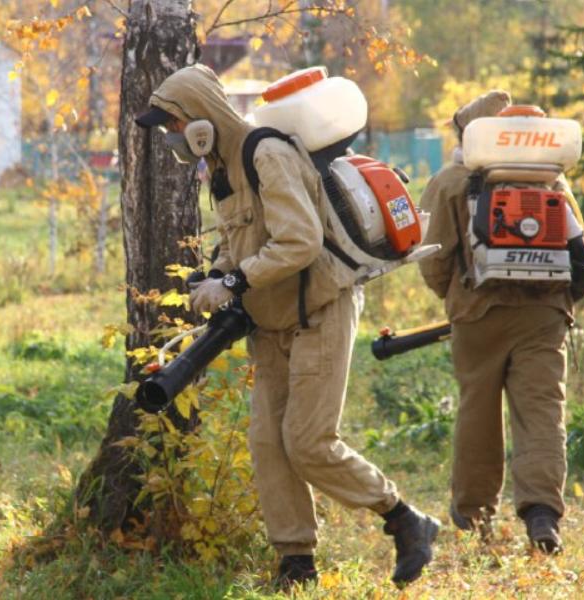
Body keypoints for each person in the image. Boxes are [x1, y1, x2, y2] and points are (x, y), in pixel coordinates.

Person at [135, 64, 440, 588]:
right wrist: (215, 274)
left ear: (200, 118)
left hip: (318, 310)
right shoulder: (224, 168)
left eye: (173, 125)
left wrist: (233, 284)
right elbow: (238, 239)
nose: (171, 137)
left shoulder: (266, 153)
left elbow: (298, 242)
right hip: (269, 320)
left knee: (307, 441)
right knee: (268, 444)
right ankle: (296, 563)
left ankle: (405, 519)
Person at [417, 90, 584, 554]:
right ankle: (542, 514)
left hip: (477, 312)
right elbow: (583, 256)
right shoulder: (551, 177)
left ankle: (473, 512)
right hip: (545, 313)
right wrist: (560, 302)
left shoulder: (451, 180)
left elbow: (432, 258)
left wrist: (454, 297)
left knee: (478, 410)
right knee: (541, 410)